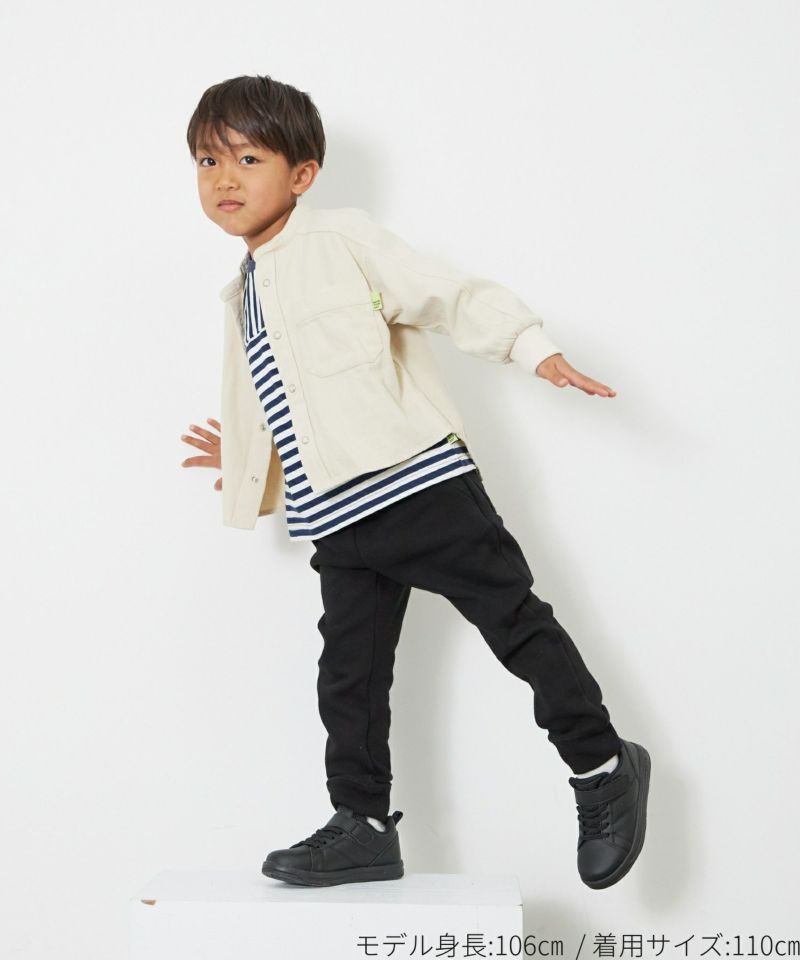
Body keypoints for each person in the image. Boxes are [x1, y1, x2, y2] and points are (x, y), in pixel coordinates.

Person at [179, 73, 650, 891]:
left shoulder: (340, 240)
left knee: (516, 627)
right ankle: (362, 826)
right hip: (335, 516)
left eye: (247, 158)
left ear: (302, 174)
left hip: (418, 488)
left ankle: (603, 766)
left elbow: (446, 295)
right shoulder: (243, 291)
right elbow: (304, 402)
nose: (224, 178)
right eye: (207, 160)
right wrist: (250, 455)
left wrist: (531, 348)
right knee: (347, 679)